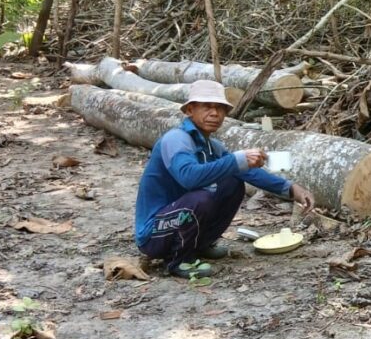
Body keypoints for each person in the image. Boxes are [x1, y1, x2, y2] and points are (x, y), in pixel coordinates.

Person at [134, 80, 315, 276]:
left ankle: (200, 244)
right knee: (200, 199)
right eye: (207, 107)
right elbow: (189, 177)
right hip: (153, 234)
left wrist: (290, 188)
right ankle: (179, 261)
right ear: (190, 110)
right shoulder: (176, 139)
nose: (214, 113)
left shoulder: (212, 146)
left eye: (220, 108)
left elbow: (247, 172)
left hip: (178, 220)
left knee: (232, 183)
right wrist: (237, 159)